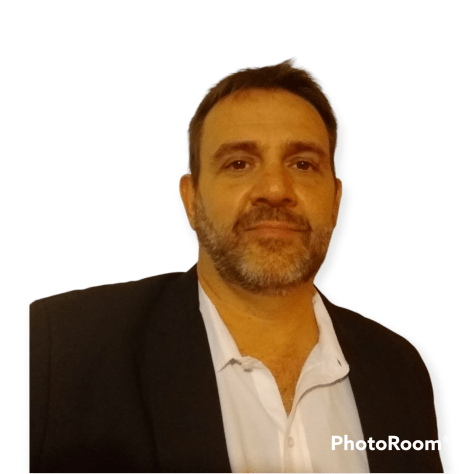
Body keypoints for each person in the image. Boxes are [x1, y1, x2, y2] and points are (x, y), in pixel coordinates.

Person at [30, 60, 443, 473]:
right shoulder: (57, 350)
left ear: (335, 201)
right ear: (192, 200)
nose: (275, 189)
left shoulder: (400, 371)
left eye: (302, 164)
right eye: (239, 164)